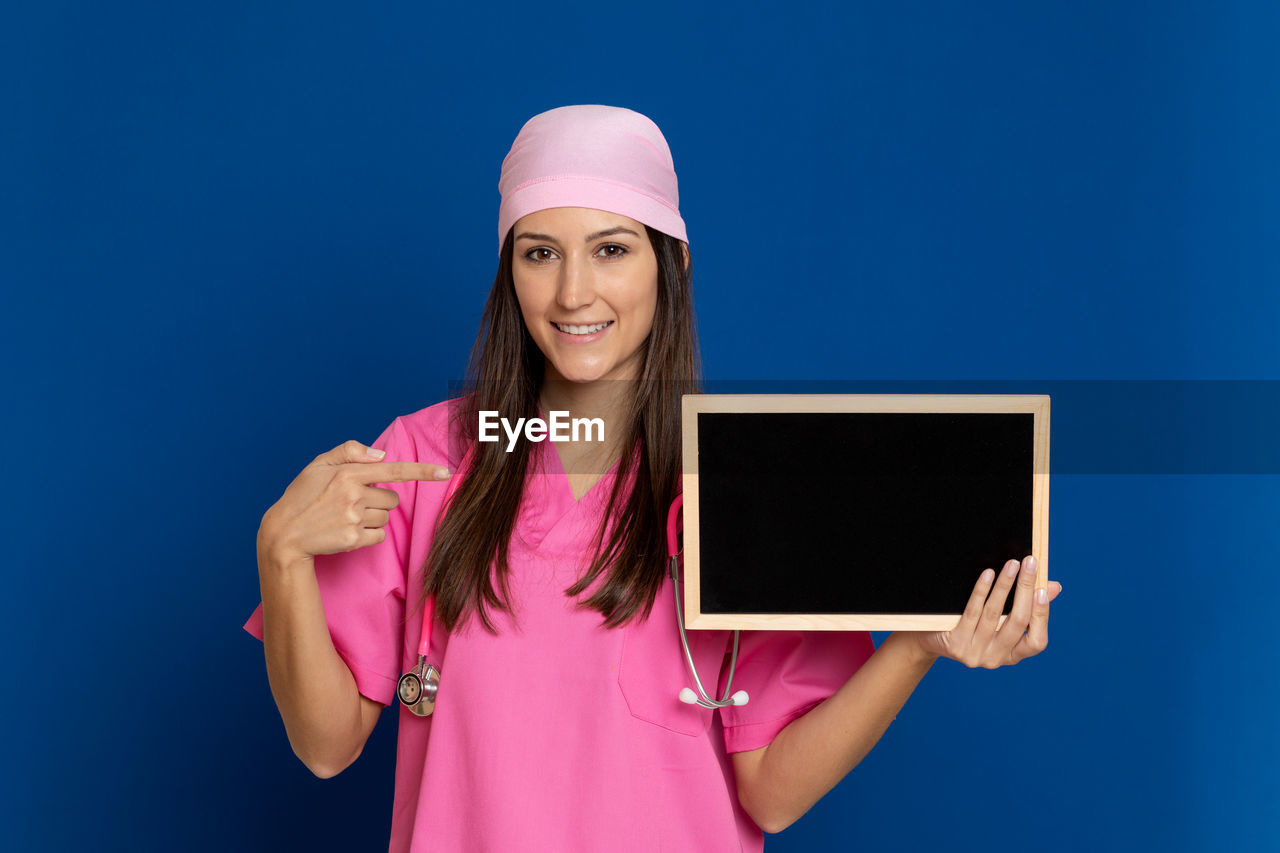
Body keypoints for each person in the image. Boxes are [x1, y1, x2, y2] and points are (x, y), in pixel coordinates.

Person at [243, 104, 1062, 852]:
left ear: (672, 265)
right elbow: (325, 744)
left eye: (611, 249)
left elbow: (771, 795)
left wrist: (918, 644)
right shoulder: (426, 460)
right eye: (540, 253)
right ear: (509, 273)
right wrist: (280, 554)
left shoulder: (747, 480)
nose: (574, 292)